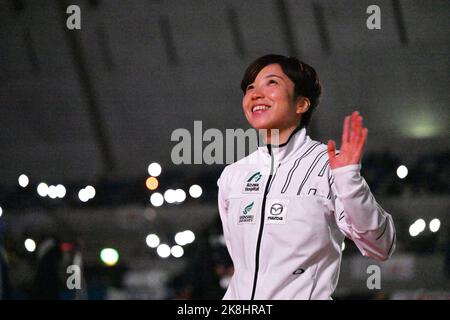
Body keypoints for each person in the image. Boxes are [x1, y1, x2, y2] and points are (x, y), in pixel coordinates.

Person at [217, 54, 396, 300]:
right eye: (250, 87)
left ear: (301, 104)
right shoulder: (233, 175)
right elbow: (241, 263)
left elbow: (381, 245)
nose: (255, 94)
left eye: (271, 83)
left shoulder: (329, 166)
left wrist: (349, 181)